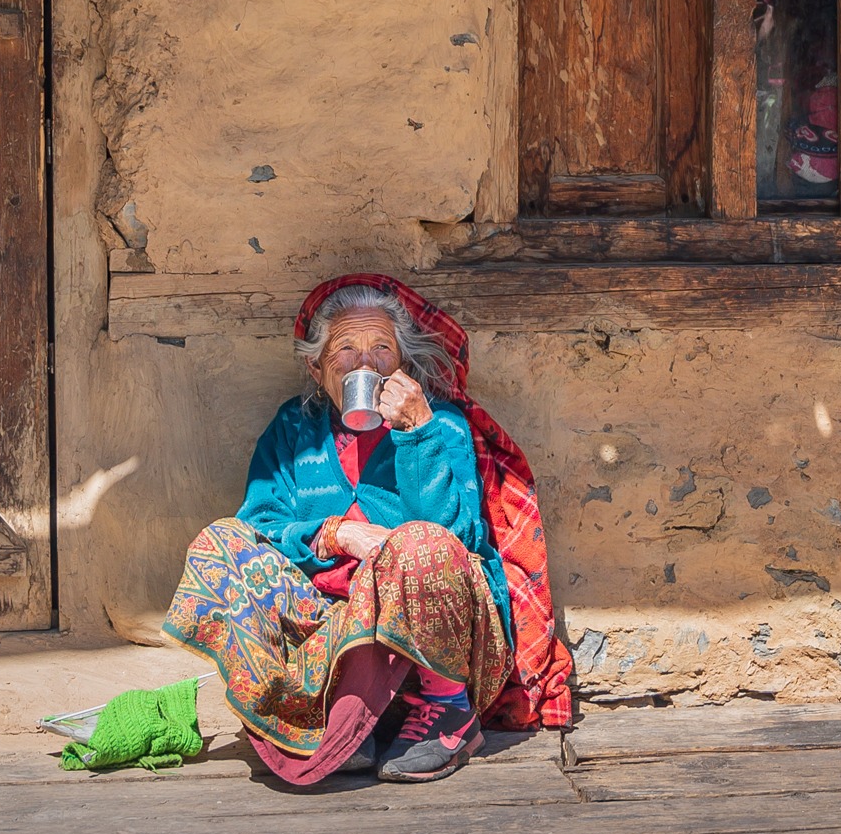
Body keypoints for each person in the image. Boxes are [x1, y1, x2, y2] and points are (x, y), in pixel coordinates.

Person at [163, 276, 573, 786]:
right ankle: (316, 717)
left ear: (402, 361)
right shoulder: (293, 429)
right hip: (332, 646)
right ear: (317, 368)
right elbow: (260, 528)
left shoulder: (439, 423)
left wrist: (416, 433)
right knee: (218, 543)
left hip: (430, 648)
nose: (365, 363)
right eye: (346, 349)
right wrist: (337, 535)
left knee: (420, 544)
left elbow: (459, 538)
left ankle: (447, 716)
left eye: (382, 348)